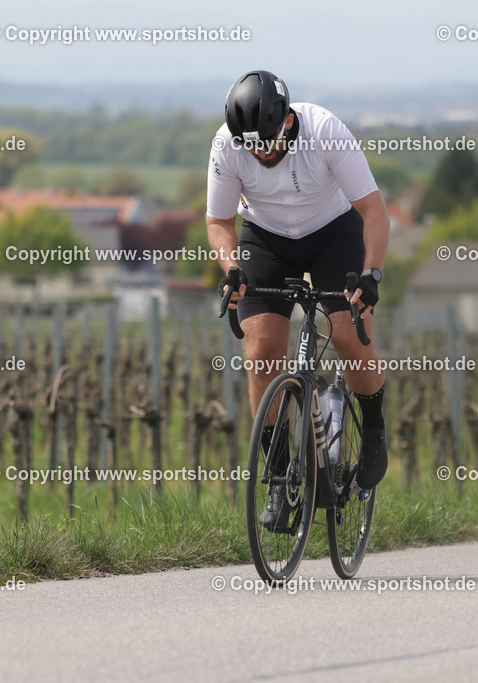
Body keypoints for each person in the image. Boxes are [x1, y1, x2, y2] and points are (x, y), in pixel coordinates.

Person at [206, 69, 389, 530]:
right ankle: (279, 476)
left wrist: (371, 275)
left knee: (348, 335)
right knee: (261, 350)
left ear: (287, 122)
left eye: (266, 141)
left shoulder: (324, 130)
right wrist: (232, 268)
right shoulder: (229, 144)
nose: (259, 152)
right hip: (266, 239)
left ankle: (373, 431)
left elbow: (373, 210)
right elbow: (219, 222)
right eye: (250, 144)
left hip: (334, 232)